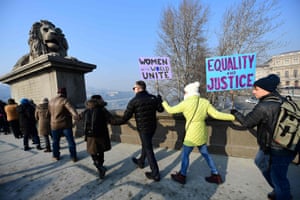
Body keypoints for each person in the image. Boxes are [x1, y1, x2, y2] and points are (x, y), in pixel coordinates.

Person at [230, 74, 296, 200]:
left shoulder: (264, 106)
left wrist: (235, 112)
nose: (253, 91)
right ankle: (279, 190)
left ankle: (282, 194)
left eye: (256, 89)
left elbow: (247, 122)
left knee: (278, 177)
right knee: (264, 164)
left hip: (277, 147)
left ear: (266, 90)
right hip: (287, 144)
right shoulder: (282, 100)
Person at [162, 81, 235, 184]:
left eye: (185, 92)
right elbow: (217, 114)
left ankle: (182, 175)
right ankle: (216, 174)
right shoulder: (204, 102)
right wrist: (233, 116)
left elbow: (170, 110)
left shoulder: (186, 103)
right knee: (206, 154)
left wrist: (163, 102)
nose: (184, 94)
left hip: (191, 134)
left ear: (189, 92)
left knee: (185, 155)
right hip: (201, 133)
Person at [114, 80, 164, 181]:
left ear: (138, 88)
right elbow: (160, 110)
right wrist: (159, 100)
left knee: (149, 149)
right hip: (153, 127)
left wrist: (113, 122)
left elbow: (125, 117)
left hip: (143, 129)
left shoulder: (134, 101)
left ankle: (155, 173)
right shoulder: (153, 98)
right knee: (146, 145)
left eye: (134, 88)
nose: (133, 90)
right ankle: (141, 161)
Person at [80, 95, 113, 179]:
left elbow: (78, 117)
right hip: (101, 134)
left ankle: (99, 166)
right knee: (100, 151)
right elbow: (112, 120)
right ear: (99, 100)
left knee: (92, 151)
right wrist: (124, 119)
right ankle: (100, 167)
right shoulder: (102, 109)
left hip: (90, 135)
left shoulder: (87, 110)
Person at [48, 87, 79, 162]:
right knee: (70, 141)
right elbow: (73, 113)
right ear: (65, 93)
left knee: (55, 142)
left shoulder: (51, 101)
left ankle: (56, 156)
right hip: (65, 125)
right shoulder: (65, 100)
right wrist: (76, 119)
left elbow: (49, 113)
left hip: (54, 125)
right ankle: (73, 157)